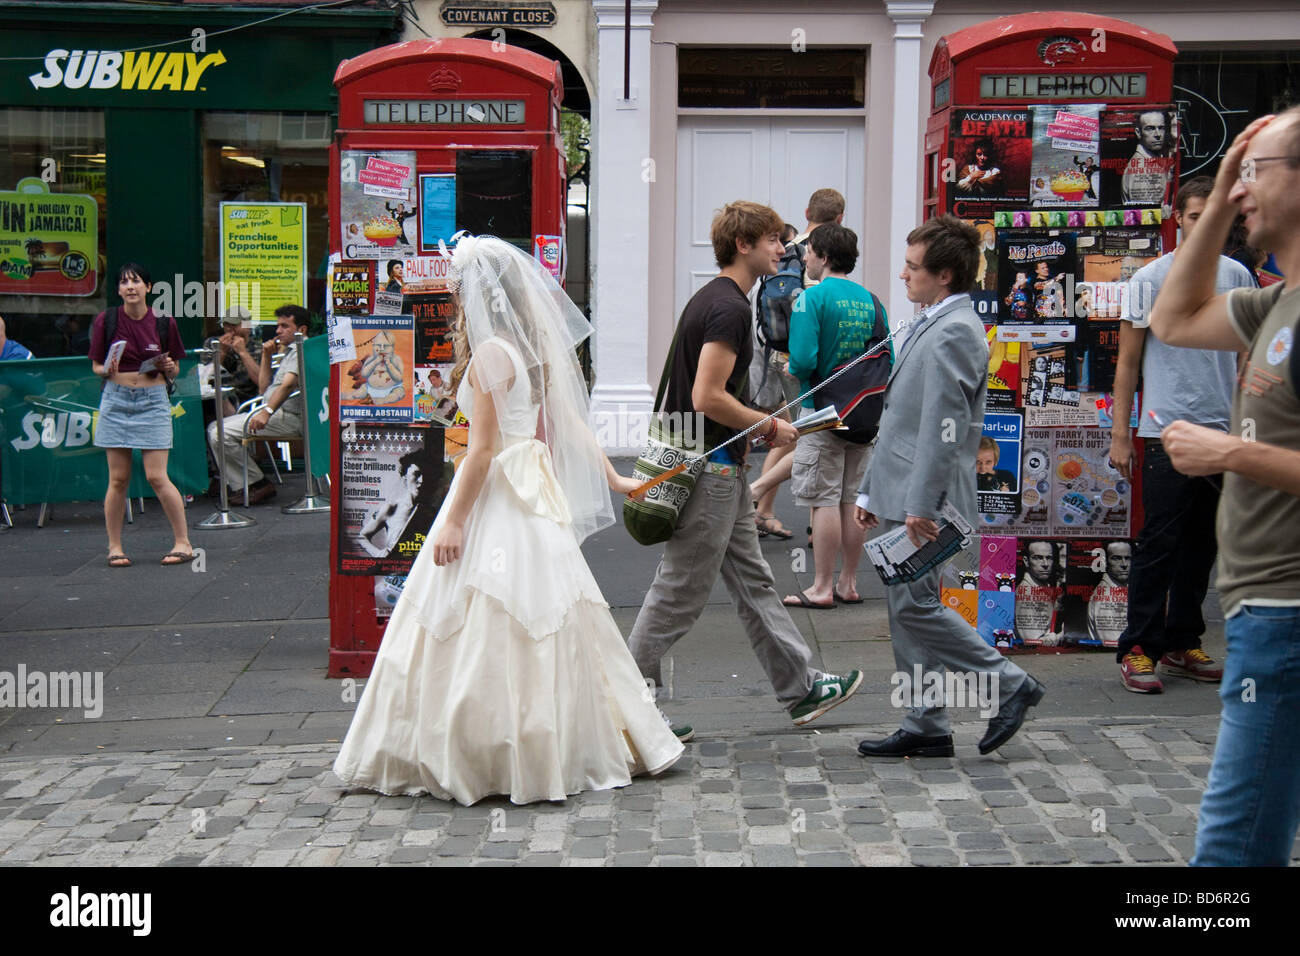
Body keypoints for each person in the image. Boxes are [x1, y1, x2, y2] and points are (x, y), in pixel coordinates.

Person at [333, 235, 683, 804]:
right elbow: (567, 420)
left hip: (499, 491)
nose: (449, 294)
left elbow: (483, 450)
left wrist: (452, 522)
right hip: (528, 494)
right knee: (547, 612)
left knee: (480, 611)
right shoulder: (525, 348)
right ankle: (556, 740)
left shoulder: (493, 352)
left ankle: (488, 752)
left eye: (455, 285)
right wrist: (616, 477)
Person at [627, 200, 863, 738]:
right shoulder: (729, 307)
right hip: (711, 468)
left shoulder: (717, 300)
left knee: (754, 582)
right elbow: (706, 396)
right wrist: (768, 426)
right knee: (680, 593)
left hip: (717, 465)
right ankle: (626, 708)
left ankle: (802, 689)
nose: (784, 249)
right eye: (772, 241)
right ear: (743, 246)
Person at [1145, 109, 1300, 867]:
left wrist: (1230, 452)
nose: (1239, 191)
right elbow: (1174, 317)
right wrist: (1236, 163)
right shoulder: (1276, 303)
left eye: (1255, 172)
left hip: (1285, 613)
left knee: (1230, 851)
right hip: (1262, 612)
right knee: (1252, 837)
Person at [855, 215, 1044, 758]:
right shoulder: (936, 320)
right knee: (907, 608)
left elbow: (944, 426)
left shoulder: (955, 329)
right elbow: (900, 417)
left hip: (928, 499)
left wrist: (919, 504)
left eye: (912, 268)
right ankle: (926, 723)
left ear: (942, 275)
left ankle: (1010, 684)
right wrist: (871, 490)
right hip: (905, 490)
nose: (902, 275)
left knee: (916, 607)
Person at [1109, 176, 1254, 693]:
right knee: (1158, 543)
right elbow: (1127, 364)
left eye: (1213, 215)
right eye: (1194, 216)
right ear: (1177, 218)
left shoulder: (1238, 276)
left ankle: (1181, 640)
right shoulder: (1150, 279)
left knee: (1203, 546)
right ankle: (1139, 648)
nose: (1203, 224)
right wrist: (1120, 433)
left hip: (1224, 431)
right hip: (1166, 431)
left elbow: (1246, 358)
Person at [784, 223, 887, 608]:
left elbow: (804, 360)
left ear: (824, 256)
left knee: (822, 498)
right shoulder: (873, 300)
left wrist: (794, 370)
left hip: (821, 411)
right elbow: (887, 358)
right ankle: (848, 583)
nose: (805, 257)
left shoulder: (809, 299)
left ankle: (821, 587)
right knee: (850, 499)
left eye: (809, 250)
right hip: (863, 416)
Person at [750, 189, 849, 541]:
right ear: (839, 218)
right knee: (812, 437)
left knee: (792, 435)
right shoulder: (822, 252)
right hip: (804, 362)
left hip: (777, 352)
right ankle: (797, 515)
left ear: (807, 210)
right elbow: (817, 308)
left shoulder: (788, 248)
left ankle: (762, 509)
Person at [88, 263, 194, 567]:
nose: (130, 287)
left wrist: (171, 368)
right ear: (119, 290)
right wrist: (105, 369)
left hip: (153, 399)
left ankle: (183, 542)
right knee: (118, 478)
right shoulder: (105, 320)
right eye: (124, 283)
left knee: (156, 475)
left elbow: (175, 364)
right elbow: (95, 365)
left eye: (136, 282)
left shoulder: (163, 321)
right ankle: (115, 547)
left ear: (148, 287)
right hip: (116, 398)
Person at [206, 304, 310, 505]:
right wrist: (266, 356)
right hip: (270, 411)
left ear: (302, 329)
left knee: (220, 432)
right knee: (215, 427)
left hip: (286, 416)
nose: (278, 331)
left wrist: (267, 412)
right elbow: (263, 389)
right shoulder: (289, 351)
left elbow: (288, 385)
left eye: (284, 326)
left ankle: (256, 483)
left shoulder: (301, 349)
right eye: (278, 326)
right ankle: (249, 482)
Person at [356, 447, 448, 560]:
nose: (421, 481)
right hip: (395, 572)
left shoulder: (434, 511)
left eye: (425, 475)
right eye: (416, 474)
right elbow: (362, 537)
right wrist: (378, 554)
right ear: (405, 477)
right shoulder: (391, 508)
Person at [1014, 539, 1065, 647]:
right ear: (1026, 561)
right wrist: (1064, 634)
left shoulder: (1042, 587)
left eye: (1049, 558)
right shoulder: (1027, 592)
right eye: (1038, 558)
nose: (1045, 564)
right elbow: (1032, 642)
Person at [1123, 109, 1174, 207]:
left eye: (1161, 128)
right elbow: (1146, 214)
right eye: (1150, 128)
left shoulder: (1152, 161)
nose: (1158, 135)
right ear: (1138, 132)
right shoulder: (1140, 167)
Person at [1087, 541, 1130, 648]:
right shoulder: (1105, 596)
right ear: (1105, 562)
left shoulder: (1122, 587)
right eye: (1117, 558)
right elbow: (1112, 643)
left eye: (1128, 558)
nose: (1124, 564)